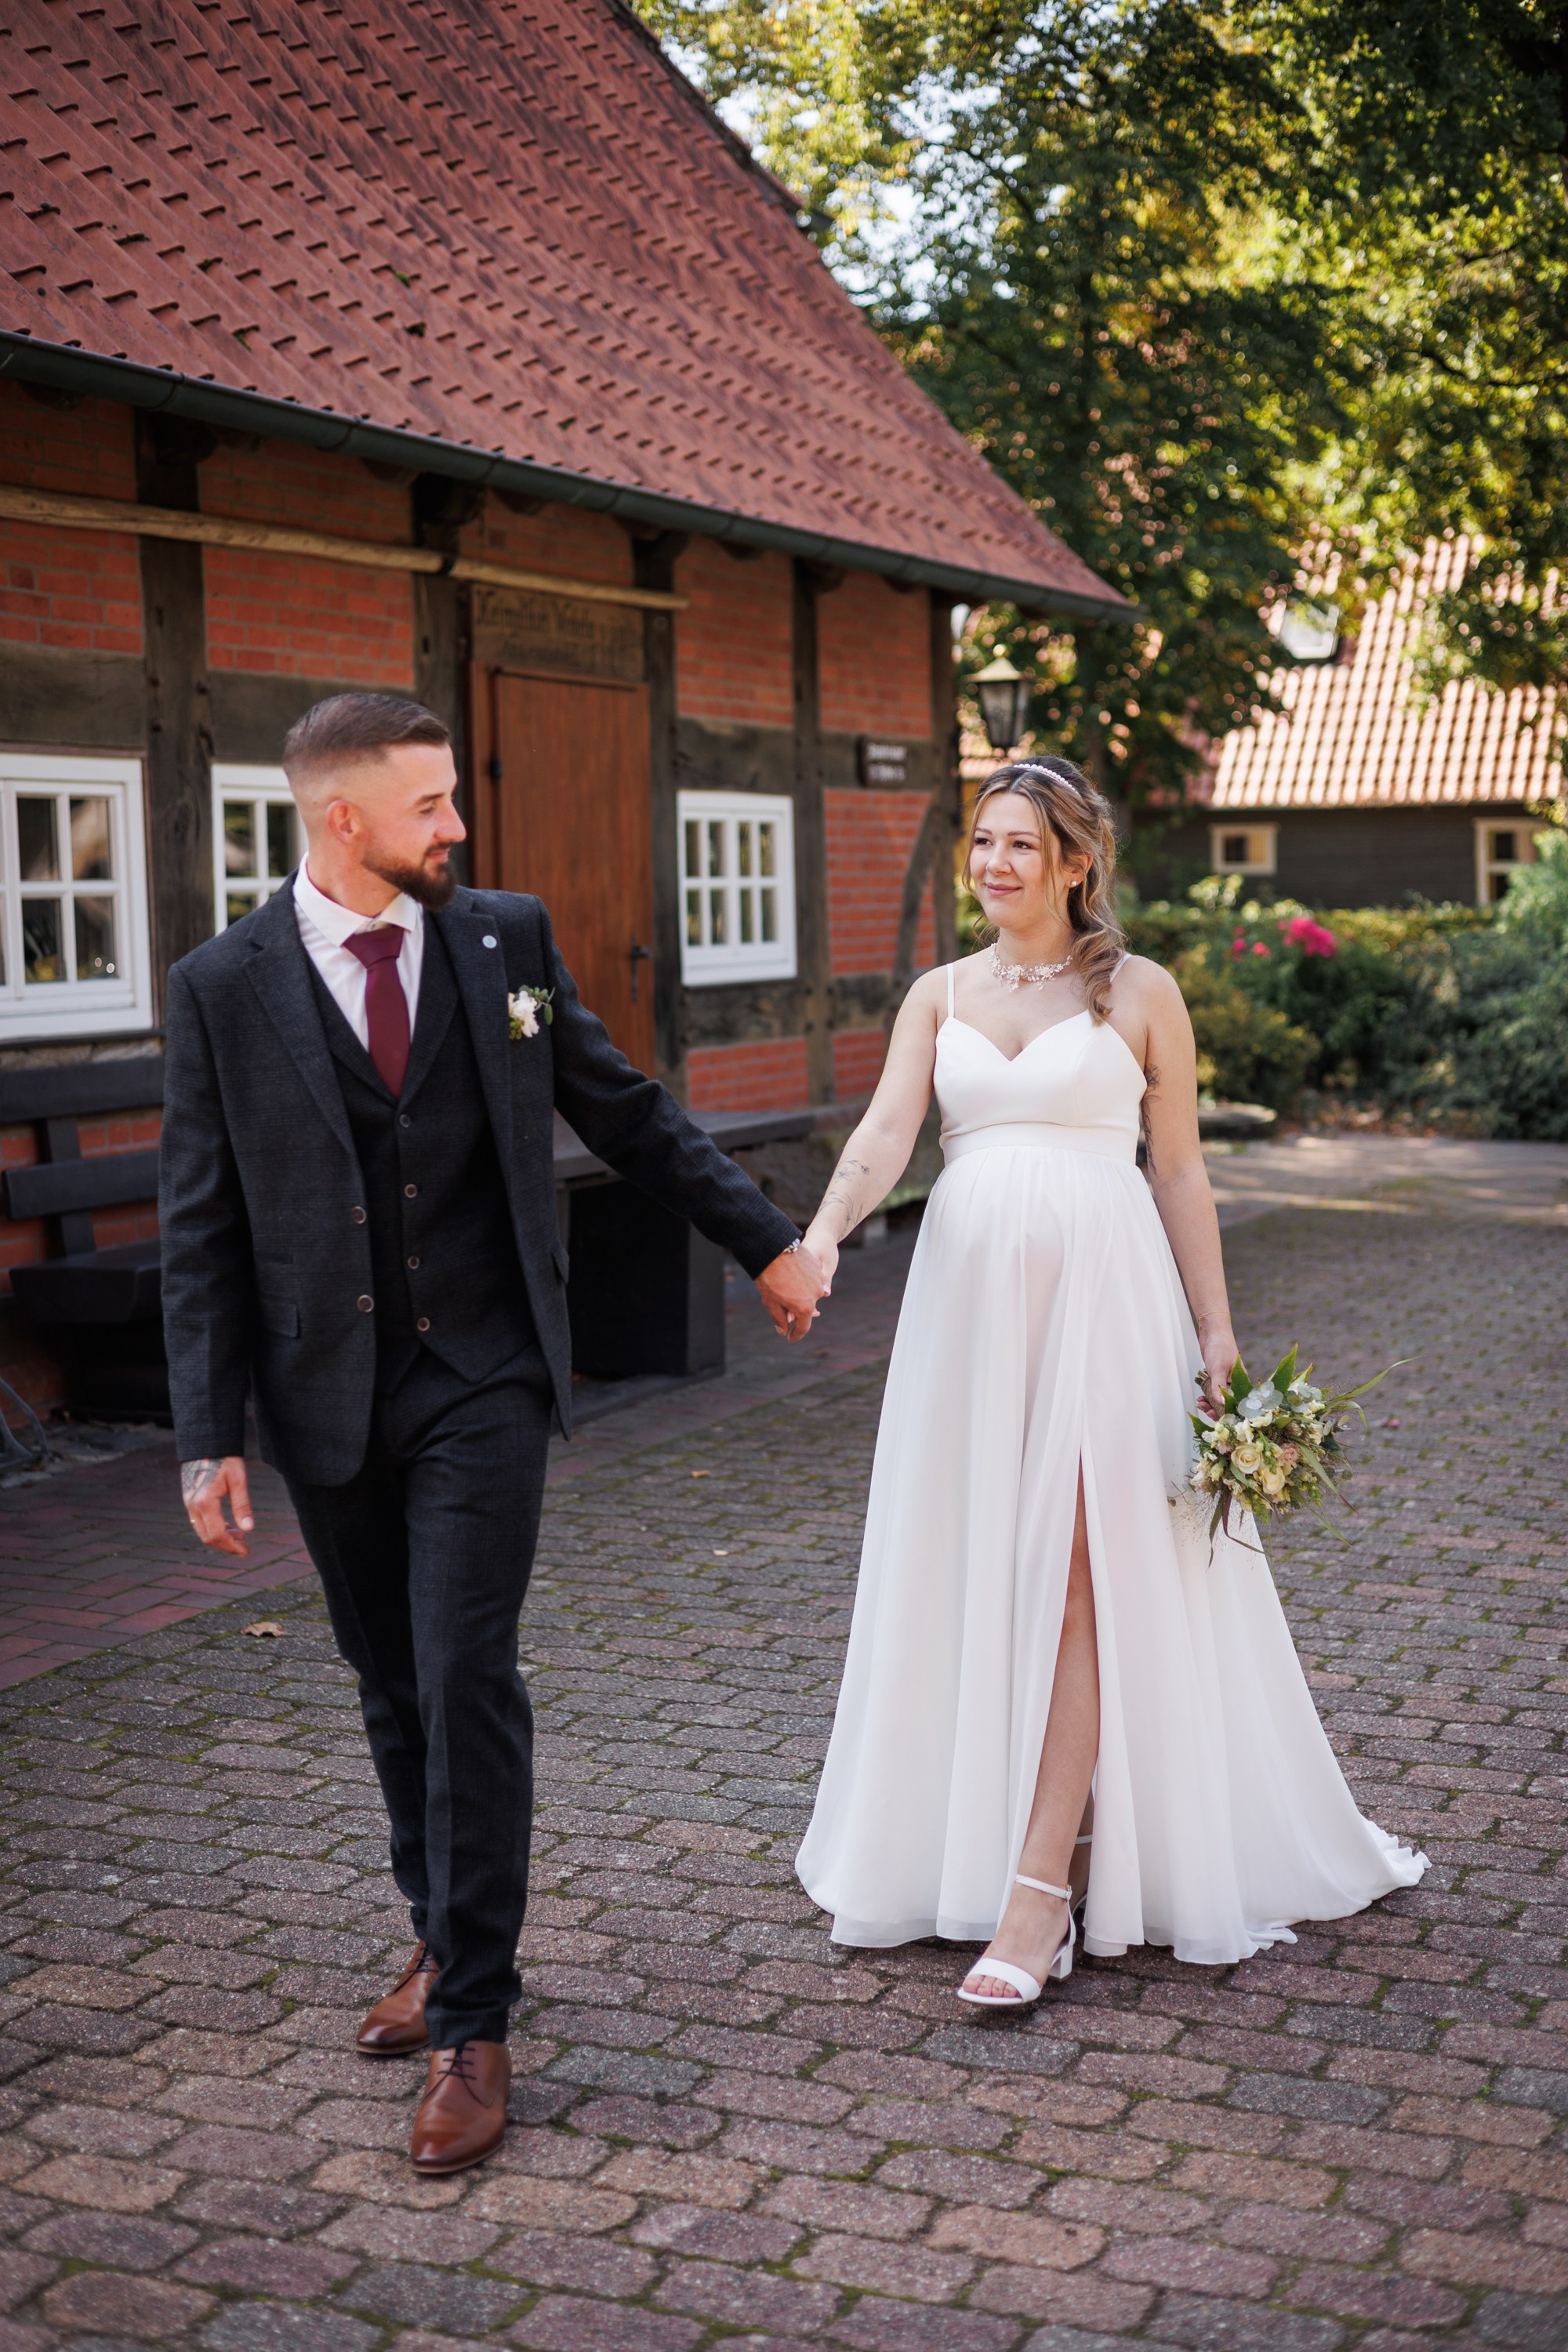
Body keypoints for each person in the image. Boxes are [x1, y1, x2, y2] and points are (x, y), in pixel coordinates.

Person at [162, 694, 826, 2169]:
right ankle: (434, 1933)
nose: (457, 828)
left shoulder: (499, 939)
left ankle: (475, 2016)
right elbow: (198, 1223)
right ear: (343, 820)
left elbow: (627, 1106)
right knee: (390, 1678)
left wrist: (766, 1240)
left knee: (466, 1671)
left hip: (487, 1374)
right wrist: (203, 1433)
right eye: (428, 807)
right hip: (322, 1386)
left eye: (455, 800)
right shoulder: (222, 985)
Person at [793, 757, 1425, 2005]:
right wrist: (819, 1234)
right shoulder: (940, 993)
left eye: (1023, 845)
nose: (995, 865)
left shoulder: (1141, 994)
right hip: (970, 1321)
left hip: (1106, 1304)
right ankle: (1016, 1838)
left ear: (1078, 863)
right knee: (986, 1564)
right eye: (983, 842)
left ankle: (1039, 1899)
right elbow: (883, 1135)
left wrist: (1218, 1332)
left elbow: (1180, 1173)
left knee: (1086, 1568)